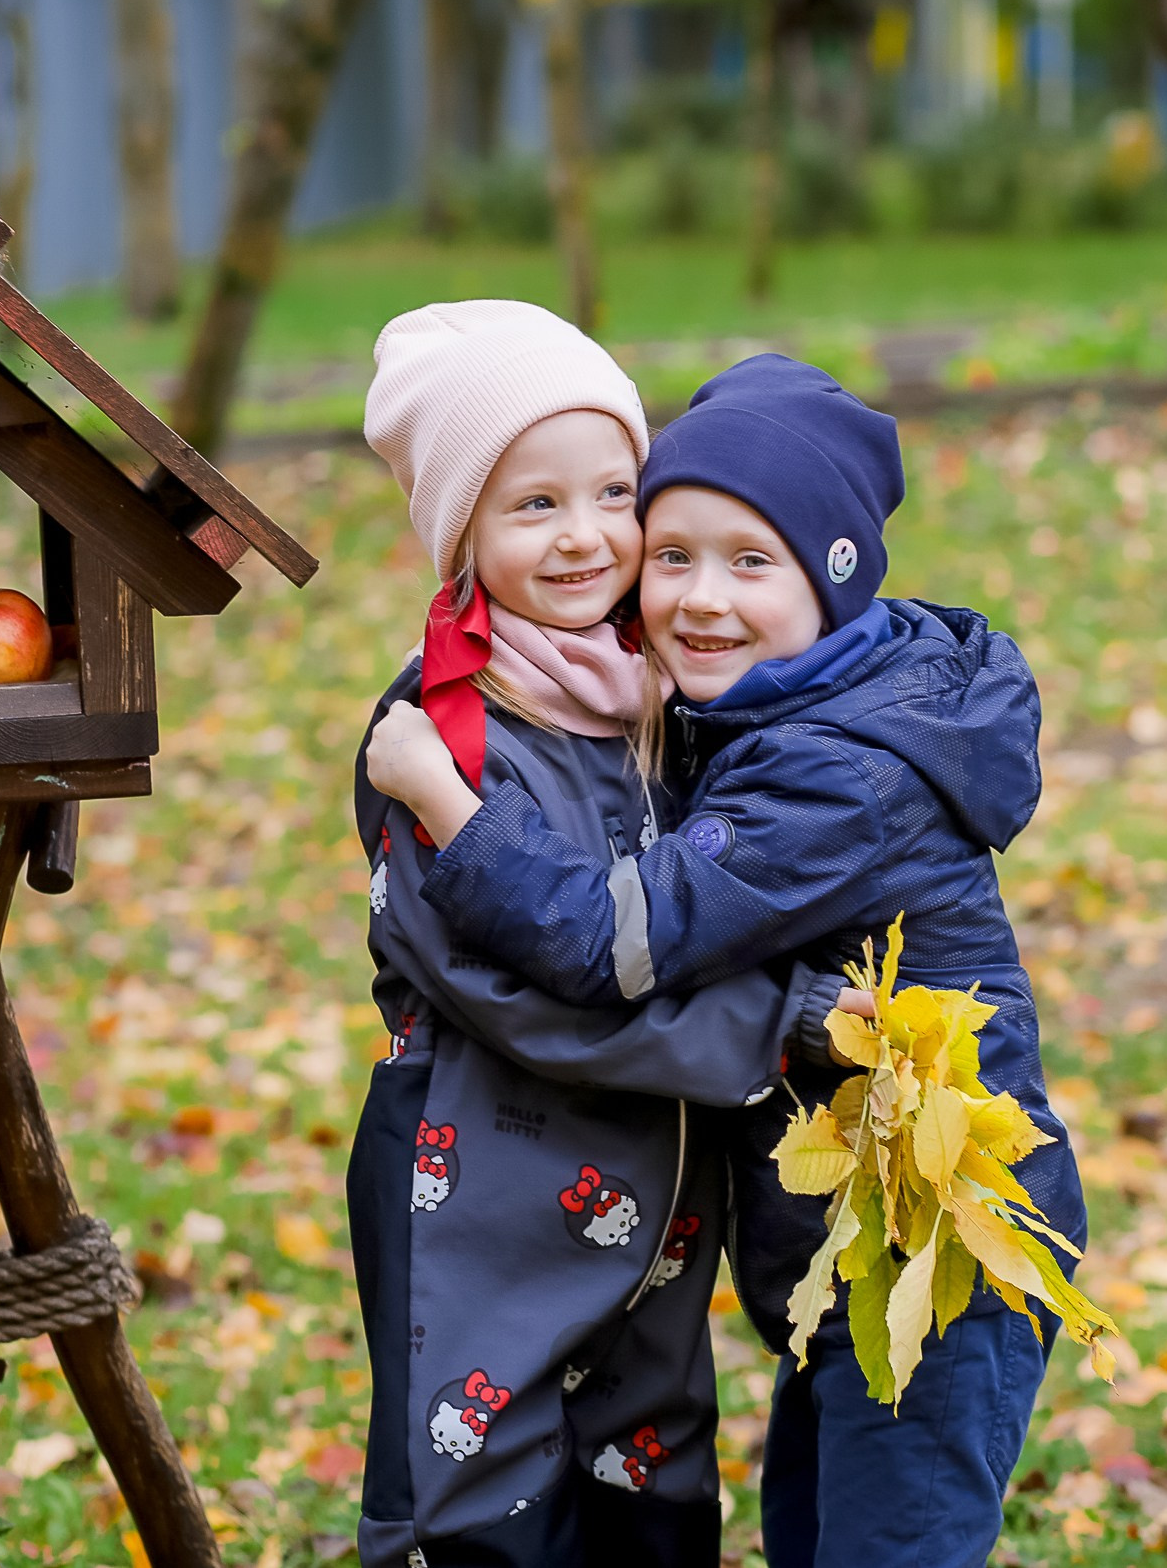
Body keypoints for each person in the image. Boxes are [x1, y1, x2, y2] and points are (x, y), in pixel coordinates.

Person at [364, 354, 1089, 1568]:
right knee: (816, 1527)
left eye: (754, 563)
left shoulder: (832, 771)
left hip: (937, 1245)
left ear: (836, 581)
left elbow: (618, 937)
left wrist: (450, 802)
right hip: (840, 1248)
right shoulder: (765, 705)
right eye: (676, 554)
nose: (700, 599)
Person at [348, 309, 863, 1568]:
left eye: (614, 493)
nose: (585, 535)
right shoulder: (444, 744)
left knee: (652, 1493)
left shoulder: (661, 695)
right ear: (462, 532)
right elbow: (533, 994)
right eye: (533, 505)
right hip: (487, 1187)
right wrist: (779, 1024)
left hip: (655, 1197)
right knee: (482, 1505)